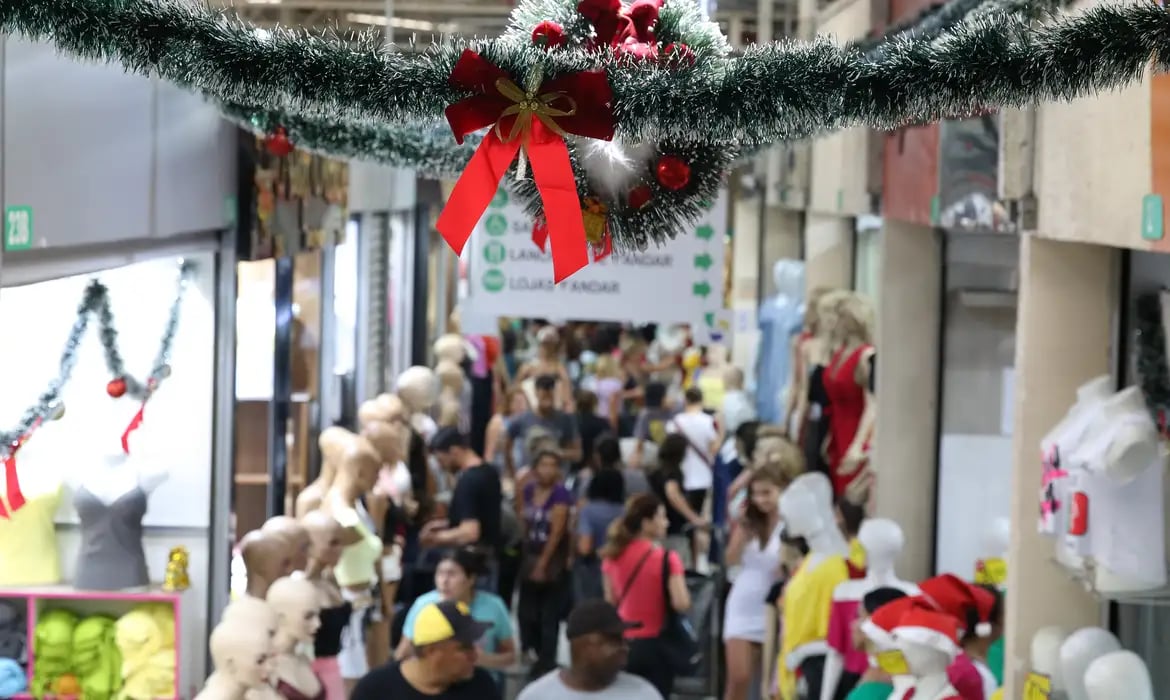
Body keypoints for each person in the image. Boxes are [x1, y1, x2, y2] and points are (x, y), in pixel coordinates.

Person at [600, 493, 691, 698]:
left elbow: (610, 601)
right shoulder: (667, 558)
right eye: (662, 517)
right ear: (646, 523)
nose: (667, 523)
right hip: (657, 645)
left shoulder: (612, 556)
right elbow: (681, 602)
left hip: (623, 642)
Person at [396, 548, 515, 688]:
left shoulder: (493, 606)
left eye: (452, 574)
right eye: (440, 573)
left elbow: (511, 656)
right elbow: (402, 653)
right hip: (435, 681)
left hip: (479, 682)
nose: (444, 581)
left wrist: (483, 659)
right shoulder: (424, 604)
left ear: (471, 579)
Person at [722, 464, 788, 700]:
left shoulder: (791, 524)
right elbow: (730, 559)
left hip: (776, 605)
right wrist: (741, 532)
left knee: (771, 685)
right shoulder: (748, 523)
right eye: (756, 494)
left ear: (781, 490)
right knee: (739, 678)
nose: (761, 500)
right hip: (743, 602)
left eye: (766, 493)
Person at [351, 599, 500, 700]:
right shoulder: (376, 690)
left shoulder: (482, 685)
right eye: (464, 648)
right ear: (431, 651)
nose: (475, 656)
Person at [518, 599, 664, 700]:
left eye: (624, 640)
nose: (625, 648)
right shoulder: (538, 696)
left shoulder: (643, 694)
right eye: (614, 640)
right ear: (585, 647)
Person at [423, 428, 503, 591]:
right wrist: (445, 524)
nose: (441, 466)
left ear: (454, 451)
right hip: (490, 558)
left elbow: (470, 532)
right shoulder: (489, 472)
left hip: (471, 564)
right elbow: (481, 515)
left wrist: (435, 539)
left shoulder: (469, 480)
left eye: (441, 459)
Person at [517, 448, 573, 679]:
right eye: (543, 465)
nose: (547, 470)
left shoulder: (560, 495)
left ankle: (546, 660)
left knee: (548, 614)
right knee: (526, 610)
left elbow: (557, 532)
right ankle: (529, 650)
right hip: (530, 553)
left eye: (552, 465)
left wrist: (543, 563)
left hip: (552, 558)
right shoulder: (529, 490)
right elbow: (523, 519)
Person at [649, 433, 708, 569]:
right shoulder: (673, 472)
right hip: (675, 528)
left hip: (659, 527)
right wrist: (693, 518)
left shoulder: (655, 471)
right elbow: (672, 493)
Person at [505, 374, 581, 476]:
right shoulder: (523, 419)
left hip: (556, 478)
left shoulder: (565, 420)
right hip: (530, 477)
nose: (547, 402)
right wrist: (513, 473)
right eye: (544, 397)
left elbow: (577, 453)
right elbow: (507, 445)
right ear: (536, 394)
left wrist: (557, 453)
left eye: (550, 396)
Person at [575, 466, 625, 601]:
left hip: (593, 568)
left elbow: (585, 547)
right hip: (619, 566)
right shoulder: (624, 512)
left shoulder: (588, 511)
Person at [630, 381, 674, 469]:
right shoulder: (646, 414)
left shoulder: (671, 410)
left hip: (671, 453)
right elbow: (640, 440)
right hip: (656, 454)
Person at [483, 387, 529, 471]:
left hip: (523, 470)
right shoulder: (498, 421)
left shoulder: (529, 422)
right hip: (501, 468)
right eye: (516, 402)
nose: (520, 405)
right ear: (509, 403)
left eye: (522, 401)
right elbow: (489, 452)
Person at [575, 390, 612, 474]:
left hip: (575, 465)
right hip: (599, 466)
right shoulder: (602, 423)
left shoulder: (571, 422)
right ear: (594, 404)